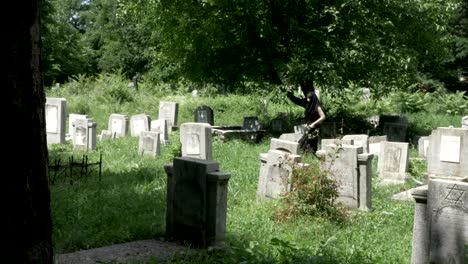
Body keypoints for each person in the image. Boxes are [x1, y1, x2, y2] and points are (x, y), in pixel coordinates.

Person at [287, 88, 326, 153]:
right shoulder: (311, 106)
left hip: (315, 128)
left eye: (309, 98)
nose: (308, 100)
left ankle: (309, 155)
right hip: (310, 127)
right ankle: (308, 155)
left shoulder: (317, 107)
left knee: (307, 142)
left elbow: (323, 117)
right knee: (305, 142)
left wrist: (313, 124)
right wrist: (307, 124)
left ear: (313, 98)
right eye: (307, 98)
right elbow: (312, 117)